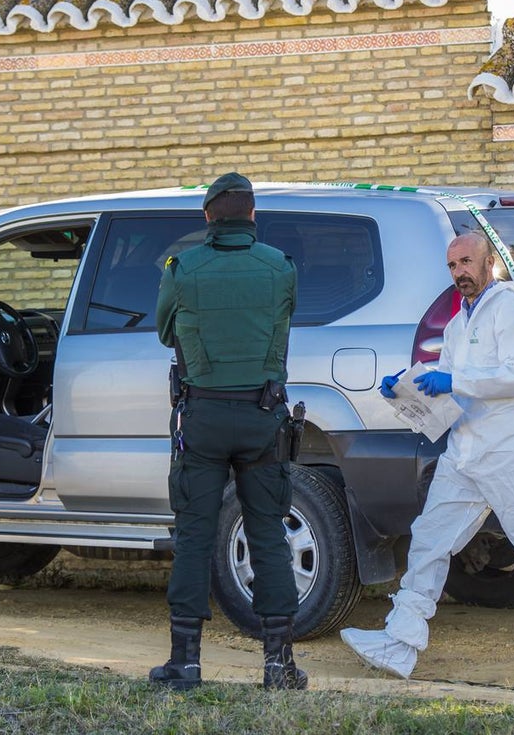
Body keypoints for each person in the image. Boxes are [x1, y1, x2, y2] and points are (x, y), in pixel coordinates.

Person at [340, 231, 514, 677]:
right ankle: (401, 639)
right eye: (452, 266)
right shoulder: (459, 323)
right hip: (465, 451)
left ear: (489, 263)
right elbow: (453, 390)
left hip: (509, 449)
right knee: (430, 537)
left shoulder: (513, 306)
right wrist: (410, 391)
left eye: (467, 263)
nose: (460, 273)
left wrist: (453, 382)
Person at [149, 172, 307, 691]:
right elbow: (284, 319)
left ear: (207, 218)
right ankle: (278, 665)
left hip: (204, 416)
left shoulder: (183, 269)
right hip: (264, 418)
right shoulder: (280, 268)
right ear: (253, 216)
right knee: (267, 536)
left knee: (194, 536)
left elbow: (166, 330)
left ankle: (185, 663)